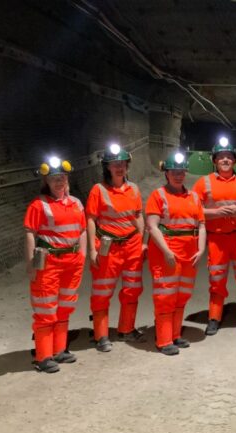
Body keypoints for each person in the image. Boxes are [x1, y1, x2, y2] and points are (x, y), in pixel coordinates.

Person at [24, 156, 86, 373]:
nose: (59, 182)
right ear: (46, 182)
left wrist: (83, 255)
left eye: (62, 178)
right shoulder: (39, 205)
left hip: (72, 262)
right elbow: (30, 234)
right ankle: (43, 356)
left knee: (65, 307)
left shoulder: (76, 203)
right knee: (46, 309)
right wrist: (31, 263)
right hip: (49, 263)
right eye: (54, 179)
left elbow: (82, 230)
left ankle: (60, 350)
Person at [192, 137, 236, 335]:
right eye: (221, 156)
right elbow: (193, 210)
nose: (225, 160)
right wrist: (217, 213)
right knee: (217, 280)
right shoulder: (203, 183)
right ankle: (214, 317)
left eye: (229, 156)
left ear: (234, 160)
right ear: (214, 160)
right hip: (216, 239)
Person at [86, 144, 147, 353]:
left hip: (131, 245)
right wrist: (92, 250)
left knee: (132, 289)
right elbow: (91, 219)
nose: (119, 167)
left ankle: (126, 329)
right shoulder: (99, 190)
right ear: (108, 167)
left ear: (127, 165)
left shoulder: (134, 189)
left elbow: (138, 215)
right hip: (108, 247)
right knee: (102, 292)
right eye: (115, 164)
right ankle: (101, 334)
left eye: (122, 163)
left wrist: (143, 241)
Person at [146, 151, 206, 355]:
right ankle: (163, 340)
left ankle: (175, 334)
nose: (179, 175)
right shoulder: (158, 195)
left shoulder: (194, 197)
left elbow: (202, 225)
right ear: (167, 173)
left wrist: (201, 248)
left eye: (181, 172)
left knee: (182, 295)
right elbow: (152, 227)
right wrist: (166, 251)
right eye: (174, 172)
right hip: (166, 253)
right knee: (166, 296)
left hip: (189, 253)